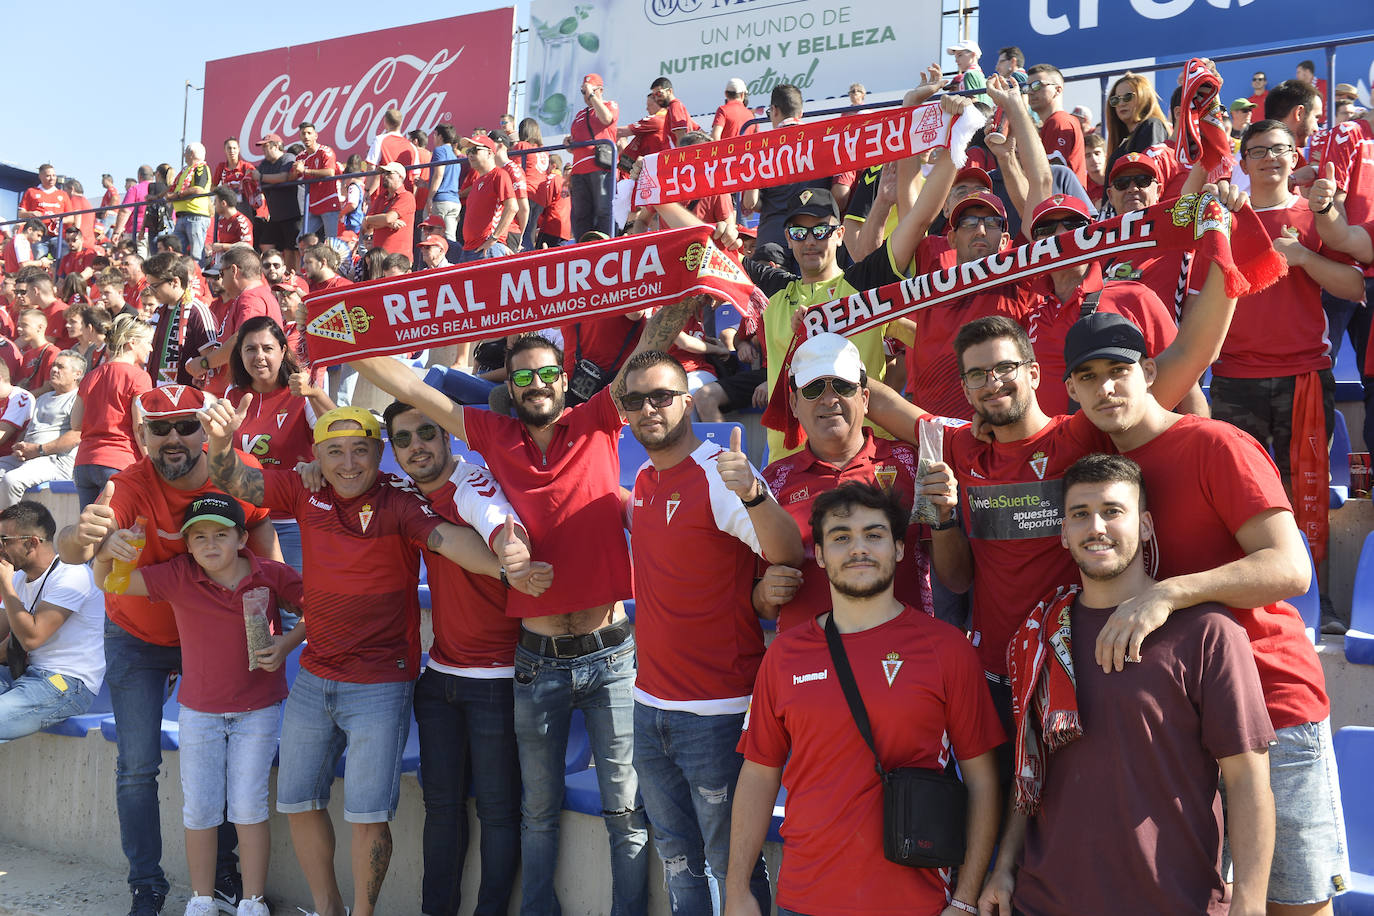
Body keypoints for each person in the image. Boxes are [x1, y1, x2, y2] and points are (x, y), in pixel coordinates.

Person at [349, 301, 703, 916]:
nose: (536, 385)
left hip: (613, 655)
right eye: (522, 377)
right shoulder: (493, 434)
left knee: (625, 810)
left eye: (546, 374)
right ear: (509, 388)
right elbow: (407, 384)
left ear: (564, 378)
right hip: (536, 661)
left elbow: (651, 346)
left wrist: (689, 276)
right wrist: (341, 331)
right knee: (536, 812)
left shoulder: (599, 419)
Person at [201, 399, 546, 916]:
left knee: (367, 816)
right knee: (297, 802)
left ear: (379, 453)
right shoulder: (304, 487)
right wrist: (224, 444)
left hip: (382, 682)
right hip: (316, 677)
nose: (347, 463)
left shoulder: (399, 501)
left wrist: (508, 570)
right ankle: (328, 909)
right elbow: (238, 484)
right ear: (317, 454)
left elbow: (450, 540)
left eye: (360, 450)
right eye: (334, 451)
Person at [1059, 311, 1349, 915]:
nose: (1106, 388)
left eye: (1119, 371)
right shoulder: (1099, 467)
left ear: (1149, 371)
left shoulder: (1214, 444)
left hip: (1274, 700)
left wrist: (1169, 592)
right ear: (1070, 390)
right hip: (1182, 722)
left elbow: (1291, 569)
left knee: (1294, 903)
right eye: (1089, 377)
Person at [980, 454, 1276, 916]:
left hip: (1174, 902)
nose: (1096, 526)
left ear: (1146, 526)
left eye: (1113, 511)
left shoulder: (1206, 633)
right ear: (1062, 532)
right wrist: (1004, 867)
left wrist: (1251, 905)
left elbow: (1248, 779)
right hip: (1045, 901)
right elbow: (1030, 772)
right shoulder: (1039, 636)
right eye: (1080, 514)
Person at [727, 481, 1003, 916]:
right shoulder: (783, 655)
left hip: (919, 904)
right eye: (841, 537)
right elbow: (759, 774)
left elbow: (984, 783)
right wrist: (737, 888)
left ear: (897, 549)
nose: (859, 548)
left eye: (874, 535)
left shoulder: (947, 649)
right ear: (819, 555)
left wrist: (965, 901)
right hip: (805, 900)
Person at [58, 384, 281, 916]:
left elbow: (262, 531)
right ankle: (146, 885)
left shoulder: (236, 468)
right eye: (160, 428)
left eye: (186, 425)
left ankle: (226, 876)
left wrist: (266, 623)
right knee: (137, 766)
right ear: (141, 436)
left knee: (227, 755)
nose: (174, 437)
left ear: (206, 429)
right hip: (138, 636)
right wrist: (85, 535)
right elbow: (77, 544)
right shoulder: (128, 485)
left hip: (217, 637)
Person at [622, 350, 801, 915]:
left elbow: (787, 554)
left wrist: (752, 493)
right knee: (678, 862)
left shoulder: (720, 473)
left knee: (734, 870)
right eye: (635, 400)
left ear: (687, 402)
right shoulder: (646, 479)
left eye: (661, 397)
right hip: (649, 707)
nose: (648, 409)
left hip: (718, 714)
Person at [93, 492, 304, 916]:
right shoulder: (178, 574)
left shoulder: (271, 574)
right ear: (186, 544)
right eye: (199, 536)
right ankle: (202, 898)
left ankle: (252, 900)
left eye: (221, 534)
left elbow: (318, 608)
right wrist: (111, 553)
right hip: (199, 713)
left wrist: (286, 644)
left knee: (248, 804)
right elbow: (111, 582)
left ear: (242, 537)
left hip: (257, 711)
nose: (210, 544)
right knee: (201, 806)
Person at [381, 399, 525, 916]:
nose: (417, 445)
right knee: (441, 809)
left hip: (498, 680)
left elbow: (499, 524)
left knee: (499, 812)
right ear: (393, 452)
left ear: (448, 439)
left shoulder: (470, 481)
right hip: (440, 678)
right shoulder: (406, 492)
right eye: (404, 438)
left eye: (427, 432)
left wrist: (512, 550)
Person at [759, 334, 951, 630]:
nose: (829, 398)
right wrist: (765, 592)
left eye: (843, 385)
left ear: (864, 398)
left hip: (903, 656)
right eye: (813, 389)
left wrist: (946, 518)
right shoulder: (771, 482)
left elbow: (954, 577)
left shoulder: (911, 462)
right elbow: (760, 601)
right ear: (794, 404)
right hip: (808, 663)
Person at [225, 315, 333, 572]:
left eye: (267, 348)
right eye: (250, 349)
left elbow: (339, 432)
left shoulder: (301, 393)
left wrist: (316, 393)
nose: (258, 356)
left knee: (291, 606)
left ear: (283, 351)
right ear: (240, 353)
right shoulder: (233, 394)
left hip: (292, 523)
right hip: (243, 521)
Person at [0, 501, 105, 741]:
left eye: (5, 540)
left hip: (66, 683)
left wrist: (4, 585)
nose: (0, 547)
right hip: (25, 674)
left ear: (31, 543)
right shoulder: (17, 579)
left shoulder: (73, 575)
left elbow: (32, 638)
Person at [71, 316, 153, 509]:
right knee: (116, 531)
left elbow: (75, 423)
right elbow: (139, 427)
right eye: (148, 343)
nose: (150, 348)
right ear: (132, 342)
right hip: (120, 461)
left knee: (89, 532)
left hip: (84, 462)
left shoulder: (90, 376)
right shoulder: (139, 377)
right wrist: (152, 463)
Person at [190, 247, 285, 396]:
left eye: (222, 273)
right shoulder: (252, 296)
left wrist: (205, 363)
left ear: (234, 270)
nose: (220, 279)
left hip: (238, 395)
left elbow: (242, 340)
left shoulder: (251, 298)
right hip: (232, 391)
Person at [0, 351, 83, 508]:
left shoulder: (78, 399)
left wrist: (39, 450)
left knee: (12, 481)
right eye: (53, 366)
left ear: (77, 374)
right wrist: (19, 447)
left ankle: (6, 531)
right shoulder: (43, 398)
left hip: (55, 461)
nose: (54, 370)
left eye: (60, 366)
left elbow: (76, 435)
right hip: (28, 457)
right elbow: (29, 431)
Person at [142, 251, 218, 388]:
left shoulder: (197, 311)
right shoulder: (159, 311)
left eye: (154, 286)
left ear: (175, 282)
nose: (151, 291)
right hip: (156, 396)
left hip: (185, 402)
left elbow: (212, 360)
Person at [569, 73, 619, 239]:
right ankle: (583, 247)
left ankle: (605, 244)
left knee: (604, 209)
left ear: (600, 90)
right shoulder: (579, 115)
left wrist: (592, 95)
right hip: (578, 171)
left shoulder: (610, 105)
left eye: (589, 91)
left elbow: (606, 119)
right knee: (580, 214)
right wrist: (569, 141)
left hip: (600, 167)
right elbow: (576, 141)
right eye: (583, 92)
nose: (586, 95)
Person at [1102, 73, 1170, 186]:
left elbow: (1148, 180)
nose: (1121, 103)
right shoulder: (1122, 142)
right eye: (1115, 100)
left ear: (1144, 97)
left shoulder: (1152, 126)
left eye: (1128, 97)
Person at [456, 135, 517, 261]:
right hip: (470, 249)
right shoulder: (478, 181)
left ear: (489, 153)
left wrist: (495, 239)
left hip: (486, 248)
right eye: (468, 151)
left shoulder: (499, 175)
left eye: (475, 150)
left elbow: (512, 207)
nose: (470, 155)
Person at [1026, 64, 1085, 186]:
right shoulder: (1058, 121)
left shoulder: (1058, 122)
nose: (1030, 92)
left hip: (1064, 202)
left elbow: (1052, 180)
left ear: (1058, 90)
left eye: (1037, 85)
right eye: (1027, 87)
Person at [253, 135, 302, 269]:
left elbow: (284, 177)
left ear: (276, 146)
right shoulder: (265, 163)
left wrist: (262, 177)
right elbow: (254, 175)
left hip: (293, 212)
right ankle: (276, 269)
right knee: (265, 243)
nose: (263, 149)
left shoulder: (288, 158)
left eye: (266, 146)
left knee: (292, 248)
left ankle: (292, 276)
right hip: (276, 215)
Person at [294, 121, 340, 240]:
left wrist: (305, 171)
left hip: (328, 203)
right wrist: (295, 171)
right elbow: (292, 176)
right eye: (303, 134)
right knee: (301, 241)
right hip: (312, 206)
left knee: (332, 243)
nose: (306, 136)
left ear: (316, 135)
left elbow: (330, 172)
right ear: (300, 137)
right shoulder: (300, 157)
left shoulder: (325, 151)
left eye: (309, 133)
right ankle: (314, 258)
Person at [487, 129, 531, 252]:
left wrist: (520, 235)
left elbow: (524, 208)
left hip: (509, 233)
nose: (487, 149)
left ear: (500, 145)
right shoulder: (491, 171)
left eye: (490, 145)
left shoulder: (512, 169)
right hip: (493, 232)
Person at [169, 144, 213, 263]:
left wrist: (176, 195)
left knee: (196, 255)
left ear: (192, 154)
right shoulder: (186, 169)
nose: (184, 155)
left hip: (196, 216)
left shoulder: (201, 167)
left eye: (186, 153)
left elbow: (199, 189)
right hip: (183, 217)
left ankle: (197, 280)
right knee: (176, 253)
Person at [364, 162, 418, 257]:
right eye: (383, 173)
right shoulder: (380, 198)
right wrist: (388, 223)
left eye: (389, 173)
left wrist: (369, 219)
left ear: (400, 176)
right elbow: (367, 226)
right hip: (379, 258)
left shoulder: (406, 197)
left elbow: (388, 218)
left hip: (398, 259)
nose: (384, 176)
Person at [426, 125, 463, 242]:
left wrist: (430, 198)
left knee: (432, 238)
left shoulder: (440, 150)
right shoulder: (454, 155)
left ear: (440, 136)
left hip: (440, 201)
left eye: (435, 135)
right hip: (454, 201)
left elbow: (439, 174)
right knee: (450, 239)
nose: (433, 138)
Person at [14, 310, 59, 396]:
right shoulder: (27, 355)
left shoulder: (52, 352)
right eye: (19, 325)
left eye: (24, 325)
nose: (19, 329)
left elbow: (48, 388)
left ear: (40, 327)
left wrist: (23, 397)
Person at [211, 188, 255, 255]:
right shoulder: (222, 221)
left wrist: (223, 246)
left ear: (223, 203)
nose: (214, 204)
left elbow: (248, 247)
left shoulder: (241, 221)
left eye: (215, 201)